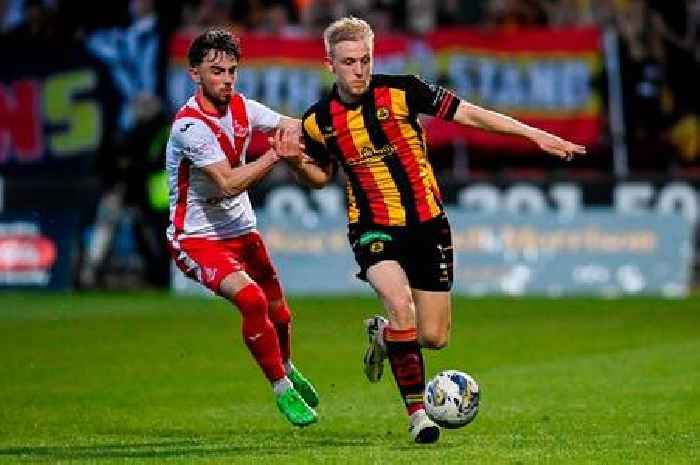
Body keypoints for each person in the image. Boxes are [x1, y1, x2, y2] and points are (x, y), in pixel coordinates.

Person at [281, 17, 586, 443]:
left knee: (433, 337)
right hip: (371, 227)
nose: (359, 69)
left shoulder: (404, 90)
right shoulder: (318, 122)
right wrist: (296, 162)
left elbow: (471, 115)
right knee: (400, 304)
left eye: (365, 59)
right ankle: (418, 415)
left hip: (428, 225)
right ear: (329, 63)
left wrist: (534, 135)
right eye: (349, 61)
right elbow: (320, 177)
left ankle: (384, 337)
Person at [165, 28, 318, 427]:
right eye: (217, 71)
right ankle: (281, 387)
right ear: (194, 74)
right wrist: (275, 154)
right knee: (251, 301)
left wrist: (339, 127)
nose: (227, 79)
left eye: (232, 70)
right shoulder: (189, 128)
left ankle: (286, 364)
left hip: (242, 230)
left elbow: (293, 124)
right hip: (196, 239)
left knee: (280, 313)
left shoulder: (244, 107)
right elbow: (229, 181)